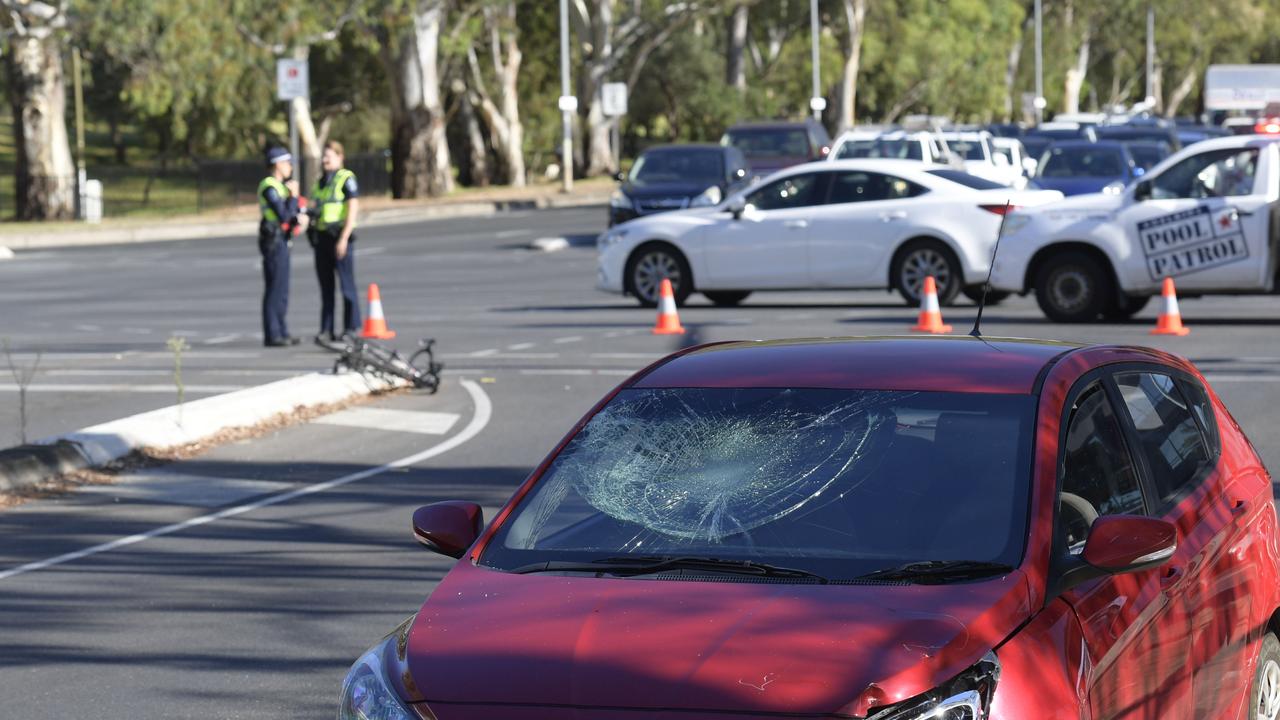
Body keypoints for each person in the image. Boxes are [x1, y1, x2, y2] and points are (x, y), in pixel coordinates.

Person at [309, 140, 361, 343]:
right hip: (322, 238)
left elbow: (352, 209)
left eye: (329, 156)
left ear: (340, 157)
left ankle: (351, 327)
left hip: (339, 236)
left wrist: (344, 238)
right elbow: (315, 206)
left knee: (347, 285)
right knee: (326, 287)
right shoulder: (321, 181)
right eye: (323, 156)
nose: (324, 160)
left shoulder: (346, 178)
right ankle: (326, 328)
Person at [258, 147, 307, 347]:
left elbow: (293, 213)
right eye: (287, 163)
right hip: (273, 241)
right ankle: (273, 333)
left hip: (282, 239)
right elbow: (284, 215)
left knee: (283, 289)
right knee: (275, 288)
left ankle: (282, 330)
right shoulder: (269, 187)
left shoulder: (280, 186)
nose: (290, 167)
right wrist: (293, 196)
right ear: (277, 164)